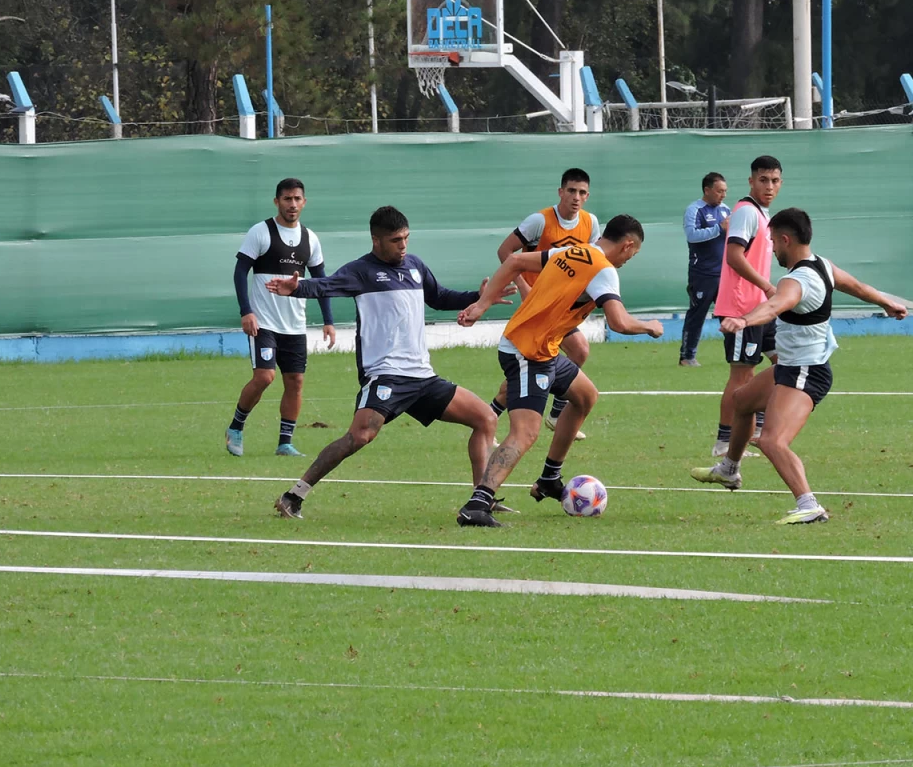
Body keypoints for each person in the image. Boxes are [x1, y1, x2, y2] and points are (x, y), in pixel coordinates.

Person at [267, 206, 515, 519]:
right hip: (386, 377)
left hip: (423, 377)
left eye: (406, 238)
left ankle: (481, 501)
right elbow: (327, 285)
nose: (403, 245)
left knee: (485, 419)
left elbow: (438, 297)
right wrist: (297, 288)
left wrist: (480, 298)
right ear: (377, 241)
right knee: (359, 436)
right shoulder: (361, 271)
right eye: (396, 239)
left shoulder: (414, 266)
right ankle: (293, 496)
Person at [691, 208, 907, 524]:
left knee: (771, 441)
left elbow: (776, 304)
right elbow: (856, 286)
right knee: (742, 401)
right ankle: (729, 470)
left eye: (773, 242)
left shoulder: (796, 280)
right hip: (791, 367)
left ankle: (808, 504)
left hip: (806, 372)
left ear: (786, 239)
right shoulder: (823, 266)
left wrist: (744, 320)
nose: (772, 248)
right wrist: (885, 302)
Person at [455, 214, 664, 527]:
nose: (629, 261)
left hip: (545, 349)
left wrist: (482, 305)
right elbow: (619, 322)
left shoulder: (572, 251)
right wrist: (649, 326)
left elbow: (513, 260)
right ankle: (477, 503)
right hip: (528, 352)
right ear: (628, 245)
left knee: (585, 396)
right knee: (525, 432)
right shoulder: (603, 270)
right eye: (632, 255)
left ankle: (550, 478)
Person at [226, 178, 336, 457]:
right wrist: (246, 311)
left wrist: (328, 321)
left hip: (295, 326)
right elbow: (240, 272)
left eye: (297, 199)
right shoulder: (260, 232)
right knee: (264, 376)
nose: (293, 204)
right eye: (287, 199)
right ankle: (236, 427)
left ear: (304, 202)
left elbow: (321, 282)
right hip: (262, 323)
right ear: (277, 201)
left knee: (295, 382)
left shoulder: (310, 239)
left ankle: (285, 443)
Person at [490, 168, 601, 441]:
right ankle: (491, 417)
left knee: (576, 352)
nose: (576, 197)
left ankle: (551, 414)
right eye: (571, 191)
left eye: (582, 192)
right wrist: (525, 288)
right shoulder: (539, 221)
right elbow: (505, 251)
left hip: (560, 308)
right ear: (560, 192)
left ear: (588, 196)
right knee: (546, 360)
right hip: (536, 308)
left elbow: (592, 263)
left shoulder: (590, 223)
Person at [709, 155, 785, 458]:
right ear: (751, 181)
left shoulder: (763, 215)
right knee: (742, 376)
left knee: (786, 362)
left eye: (775, 180)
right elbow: (734, 256)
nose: (769, 186)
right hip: (742, 309)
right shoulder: (746, 212)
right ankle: (725, 441)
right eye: (763, 180)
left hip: (760, 308)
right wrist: (767, 286)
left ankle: (757, 427)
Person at [679, 172, 731, 367]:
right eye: (719, 191)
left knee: (729, 316)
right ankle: (687, 356)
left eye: (725, 191)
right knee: (697, 315)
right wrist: (719, 228)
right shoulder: (695, 209)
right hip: (702, 273)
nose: (723, 195)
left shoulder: (726, 210)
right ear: (707, 190)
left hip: (724, 273)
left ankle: (733, 356)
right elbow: (692, 235)